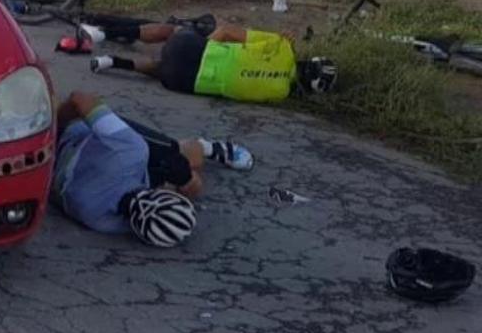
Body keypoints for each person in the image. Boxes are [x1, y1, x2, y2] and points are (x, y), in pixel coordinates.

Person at [52, 91, 254, 248]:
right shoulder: (106, 224)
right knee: (184, 169)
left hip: (77, 143)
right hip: (74, 160)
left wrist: (58, 123)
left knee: (183, 164)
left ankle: (201, 149)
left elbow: (80, 98)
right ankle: (208, 148)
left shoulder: (131, 153)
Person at [83, 19, 337, 103]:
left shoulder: (283, 47)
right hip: (185, 82)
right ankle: (113, 62)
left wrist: (206, 45)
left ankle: (106, 33)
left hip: (196, 53)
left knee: (172, 32)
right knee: (163, 68)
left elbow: (227, 31)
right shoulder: (280, 95)